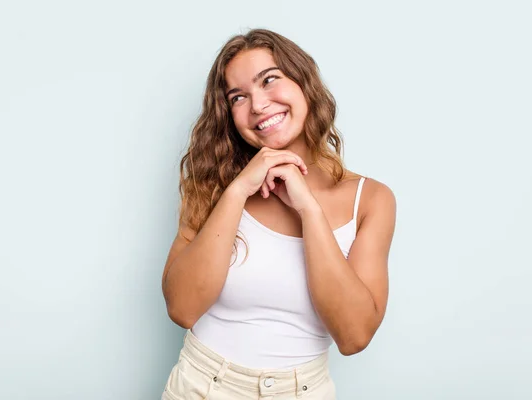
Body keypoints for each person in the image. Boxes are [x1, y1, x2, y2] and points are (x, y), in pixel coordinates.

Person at [161, 28, 396, 400]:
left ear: (304, 83)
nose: (257, 105)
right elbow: (182, 308)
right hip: (202, 386)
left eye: (270, 80)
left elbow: (354, 336)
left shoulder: (371, 200)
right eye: (238, 97)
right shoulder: (212, 186)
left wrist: (309, 211)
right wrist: (237, 190)